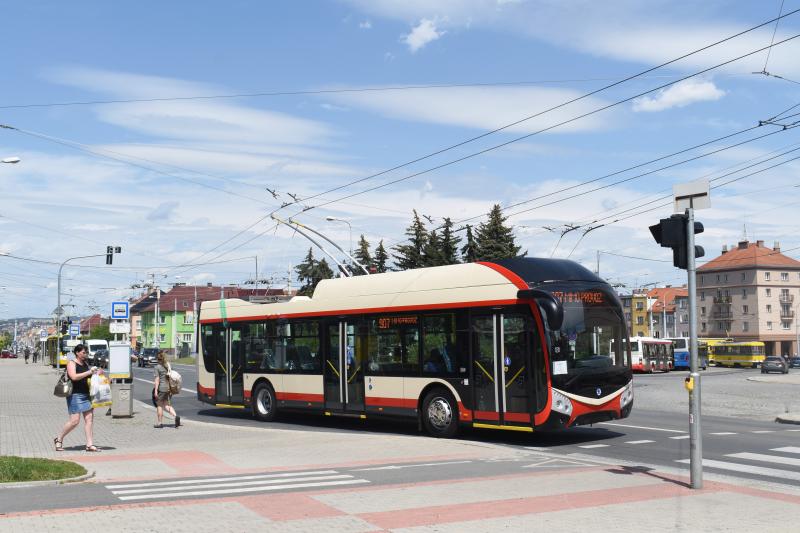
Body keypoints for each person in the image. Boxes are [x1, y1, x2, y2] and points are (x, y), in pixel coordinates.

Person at [54, 344, 101, 452]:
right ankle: (59, 439)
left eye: (86, 353)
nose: (85, 355)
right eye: (84, 352)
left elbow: (88, 376)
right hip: (75, 395)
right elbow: (74, 377)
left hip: (86, 394)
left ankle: (89, 444)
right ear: (77, 352)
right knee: (74, 421)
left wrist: (97, 373)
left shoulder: (85, 363)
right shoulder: (71, 363)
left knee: (89, 419)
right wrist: (89, 372)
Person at [153, 351, 180, 428]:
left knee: (159, 405)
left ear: (158, 359)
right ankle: (176, 416)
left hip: (161, 389)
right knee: (167, 405)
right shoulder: (168, 365)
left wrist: (155, 391)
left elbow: (157, 380)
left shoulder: (157, 367)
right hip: (169, 388)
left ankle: (160, 423)